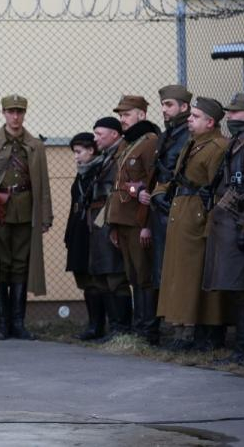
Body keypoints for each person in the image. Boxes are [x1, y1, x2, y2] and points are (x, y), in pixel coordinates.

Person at [0, 94, 53, 340]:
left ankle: (18, 323)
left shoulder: (35, 146)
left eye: (19, 112)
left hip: (25, 210)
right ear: (4, 113)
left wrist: (45, 215)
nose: (15, 116)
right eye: (11, 112)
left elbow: (43, 183)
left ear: (24, 114)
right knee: (0, 266)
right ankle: (2, 324)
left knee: (21, 265)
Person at [154, 97, 230, 351]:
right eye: (191, 115)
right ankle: (181, 328)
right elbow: (178, 177)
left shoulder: (217, 146)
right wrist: (159, 193)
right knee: (179, 274)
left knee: (192, 276)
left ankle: (195, 332)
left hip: (197, 214)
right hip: (182, 212)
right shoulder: (194, 143)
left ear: (210, 122)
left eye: (196, 116)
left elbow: (216, 189)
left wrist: (207, 223)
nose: (190, 119)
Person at [202, 94, 244, 366]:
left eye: (235, 113)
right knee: (239, 288)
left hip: (242, 219)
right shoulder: (240, 141)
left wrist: (225, 208)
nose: (229, 117)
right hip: (233, 220)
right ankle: (243, 349)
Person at [106, 95, 160, 345]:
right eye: (121, 115)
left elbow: (152, 184)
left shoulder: (149, 143)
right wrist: (113, 224)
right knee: (133, 275)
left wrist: (147, 225)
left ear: (142, 114)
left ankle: (148, 330)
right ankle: (140, 326)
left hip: (139, 221)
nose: (122, 120)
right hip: (124, 220)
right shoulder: (127, 144)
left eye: (127, 114)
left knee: (144, 274)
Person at [139, 85, 192, 292]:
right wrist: (148, 191)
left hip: (177, 206)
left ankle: (182, 322)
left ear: (184, 106)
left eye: (169, 105)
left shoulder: (188, 135)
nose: (163, 109)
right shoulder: (166, 134)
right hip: (160, 207)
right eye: (162, 105)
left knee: (178, 267)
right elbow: (157, 172)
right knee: (161, 267)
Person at [87, 117, 131, 339]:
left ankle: (121, 328)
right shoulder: (105, 156)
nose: (95, 139)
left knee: (115, 274)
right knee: (102, 275)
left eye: (99, 134)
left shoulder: (122, 154)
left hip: (110, 216)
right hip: (98, 218)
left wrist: (112, 222)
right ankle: (114, 327)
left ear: (114, 134)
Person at [65, 133, 104, 340]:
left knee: (95, 278)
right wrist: (68, 234)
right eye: (75, 152)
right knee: (84, 277)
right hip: (79, 228)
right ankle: (93, 324)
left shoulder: (100, 170)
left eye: (79, 152)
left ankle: (98, 326)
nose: (76, 157)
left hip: (93, 229)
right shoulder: (82, 174)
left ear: (91, 150)